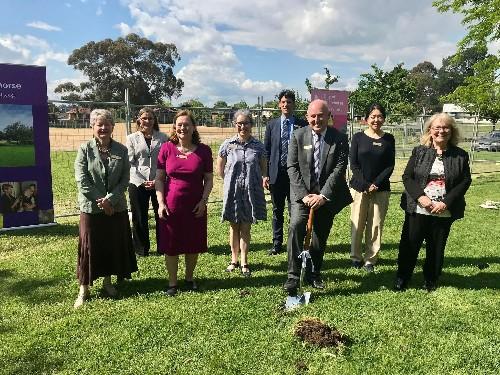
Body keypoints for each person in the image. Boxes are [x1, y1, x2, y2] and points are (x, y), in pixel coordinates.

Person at [394, 113, 471, 292]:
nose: (441, 131)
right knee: (410, 243)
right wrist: (421, 197)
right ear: (430, 130)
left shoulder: (460, 155)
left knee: (436, 246)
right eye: (437, 127)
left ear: (452, 131)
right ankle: (402, 277)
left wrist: (446, 202)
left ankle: (431, 278)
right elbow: (407, 177)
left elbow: (465, 181)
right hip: (419, 207)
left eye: (446, 127)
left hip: (443, 209)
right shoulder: (419, 151)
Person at [284, 99, 352, 295]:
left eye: (321, 115)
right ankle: (293, 276)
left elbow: (339, 169)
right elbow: (292, 166)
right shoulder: (298, 136)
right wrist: (304, 196)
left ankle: (314, 274)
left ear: (328, 116)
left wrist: (323, 196)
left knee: (320, 235)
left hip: (325, 196)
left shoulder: (338, 138)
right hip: (302, 196)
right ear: (307, 117)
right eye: (312, 116)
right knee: (296, 226)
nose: (316, 120)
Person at [74, 109, 138, 308]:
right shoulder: (84, 149)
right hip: (91, 208)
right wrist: (101, 201)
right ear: (92, 127)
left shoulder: (122, 150)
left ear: (112, 127)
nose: (103, 128)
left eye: (106, 124)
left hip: (115, 208)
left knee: (110, 244)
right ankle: (84, 288)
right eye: (98, 124)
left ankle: (108, 283)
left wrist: (110, 200)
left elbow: (125, 179)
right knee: (89, 246)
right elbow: (82, 180)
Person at [155, 110, 213, 296]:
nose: (183, 128)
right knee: (171, 245)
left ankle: (189, 278)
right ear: (174, 127)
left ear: (193, 127)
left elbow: (209, 179)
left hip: (195, 206)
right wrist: (161, 203)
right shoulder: (166, 148)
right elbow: (159, 179)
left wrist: (203, 201)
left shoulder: (204, 150)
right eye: (179, 124)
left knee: (192, 243)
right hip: (171, 206)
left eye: (186, 124)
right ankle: (172, 283)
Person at [216, 109, 267, 277]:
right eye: (239, 123)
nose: (242, 126)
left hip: (251, 192)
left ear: (251, 125)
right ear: (235, 125)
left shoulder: (259, 146)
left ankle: (244, 261)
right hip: (233, 192)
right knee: (233, 226)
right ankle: (233, 260)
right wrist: (232, 181)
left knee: (245, 227)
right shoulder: (227, 145)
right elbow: (220, 170)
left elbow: (263, 169)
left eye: (246, 123)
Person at [349, 103, 395, 272]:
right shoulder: (358, 138)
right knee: (357, 223)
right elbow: (354, 165)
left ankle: (370, 259)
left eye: (380, 116)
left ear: (384, 118)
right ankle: (355, 256)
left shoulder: (389, 139)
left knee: (376, 225)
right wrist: (366, 185)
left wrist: (376, 184)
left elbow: (390, 165)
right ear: (366, 119)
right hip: (359, 188)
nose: (376, 119)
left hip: (381, 189)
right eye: (373, 116)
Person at [263, 90, 307, 255]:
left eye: (289, 102)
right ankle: (276, 243)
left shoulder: (302, 125)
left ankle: (294, 242)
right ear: (279, 105)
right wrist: (265, 174)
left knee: (295, 210)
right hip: (276, 174)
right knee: (277, 210)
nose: (285, 104)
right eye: (283, 102)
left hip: (296, 175)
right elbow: (266, 152)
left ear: (294, 104)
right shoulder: (272, 125)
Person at [127, 108, 168, 256]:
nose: (148, 121)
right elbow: (130, 162)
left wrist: (157, 180)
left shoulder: (163, 137)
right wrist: (141, 180)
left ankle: (163, 246)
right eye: (144, 118)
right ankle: (141, 249)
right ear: (139, 120)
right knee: (139, 216)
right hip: (138, 182)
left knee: (162, 215)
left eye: (150, 118)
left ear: (154, 120)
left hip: (159, 181)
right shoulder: (131, 138)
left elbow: (167, 161)